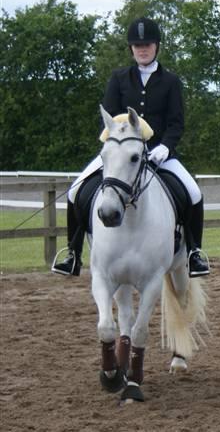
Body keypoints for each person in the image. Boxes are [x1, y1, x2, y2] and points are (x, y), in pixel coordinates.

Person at [52, 17, 210, 278]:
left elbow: (176, 123)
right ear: (131, 49)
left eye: (146, 44)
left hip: (160, 153)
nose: (142, 49)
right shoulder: (119, 78)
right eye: (137, 46)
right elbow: (111, 116)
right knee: (75, 190)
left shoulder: (170, 81)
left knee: (193, 192)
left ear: (156, 46)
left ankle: (194, 253)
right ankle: (72, 253)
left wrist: (166, 148)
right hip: (122, 154)